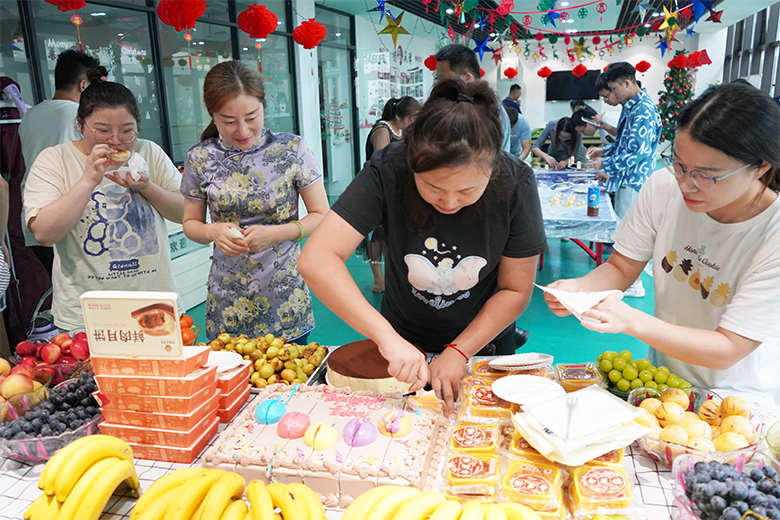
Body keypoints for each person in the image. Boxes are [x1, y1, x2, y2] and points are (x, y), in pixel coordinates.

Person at [299, 79, 547, 414]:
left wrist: (460, 350)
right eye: (433, 187)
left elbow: (515, 288)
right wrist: (387, 338)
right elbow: (317, 258)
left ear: (492, 168)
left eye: (467, 191)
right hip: (401, 343)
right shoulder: (390, 168)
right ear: (413, 161)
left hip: (483, 343)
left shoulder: (515, 181)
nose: (449, 202)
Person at [544, 83, 780, 412]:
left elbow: (728, 348)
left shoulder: (772, 232)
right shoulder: (663, 188)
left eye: (706, 175)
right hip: (664, 382)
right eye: (679, 164)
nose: (685, 184)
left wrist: (631, 320)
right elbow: (621, 267)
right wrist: (579, 288)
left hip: (738, 398)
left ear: (761, 167)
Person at [181, 60, 328, 343]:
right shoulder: (199, 158)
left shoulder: (292, 149)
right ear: (212, 115)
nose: (242, 130)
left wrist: (275, 234)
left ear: (264, 106)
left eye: (251, 117)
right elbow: (190, 223)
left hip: (285, 299)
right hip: (228, 303)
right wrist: (213, 231)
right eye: (228, 121)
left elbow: (321, 215)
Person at [23, 79, 184, 331]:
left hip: (154, 305)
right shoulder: (55, 160)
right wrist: (88, 180)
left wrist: (147, 187)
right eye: (102, 130)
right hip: (87, 315)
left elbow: (186, 213)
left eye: (127, 131)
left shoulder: (149, 152)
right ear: (80, 124)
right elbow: (44, 233)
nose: (115, 141)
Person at [19, 50, 105, 277]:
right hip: (71, 218)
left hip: (35, 215)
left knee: (62, 286)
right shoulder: (79, 116)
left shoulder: (30, 115)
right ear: (83, 85)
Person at [587, 62, 661, 297]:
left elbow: (637, 152)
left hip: (633, 179)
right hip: (625, 178)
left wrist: (605, 164)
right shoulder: (632, 107)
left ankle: (632, 283)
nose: (612, 95)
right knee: (624, 231)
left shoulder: (643, 110)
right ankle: (629, 280)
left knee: (628, 234)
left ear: (626, 83)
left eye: (612, 89)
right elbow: (623, 143)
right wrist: (603, 151)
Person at [362, 96, 421, 293]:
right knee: (376, 235)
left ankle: (390, 277)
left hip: (394, 189)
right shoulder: (382, 129)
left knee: (389, 234)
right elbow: (383, 162)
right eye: (411, 119)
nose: (412, 123)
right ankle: (379, 281)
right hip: (379, 189)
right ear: (398, 116)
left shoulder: (399, 131)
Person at [435, 44, 512, 154]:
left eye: (443, 79)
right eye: (438, 79)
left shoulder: (493, 112)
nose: (439, 85)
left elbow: (497, 157)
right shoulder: (445, 107)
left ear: (467, 77)